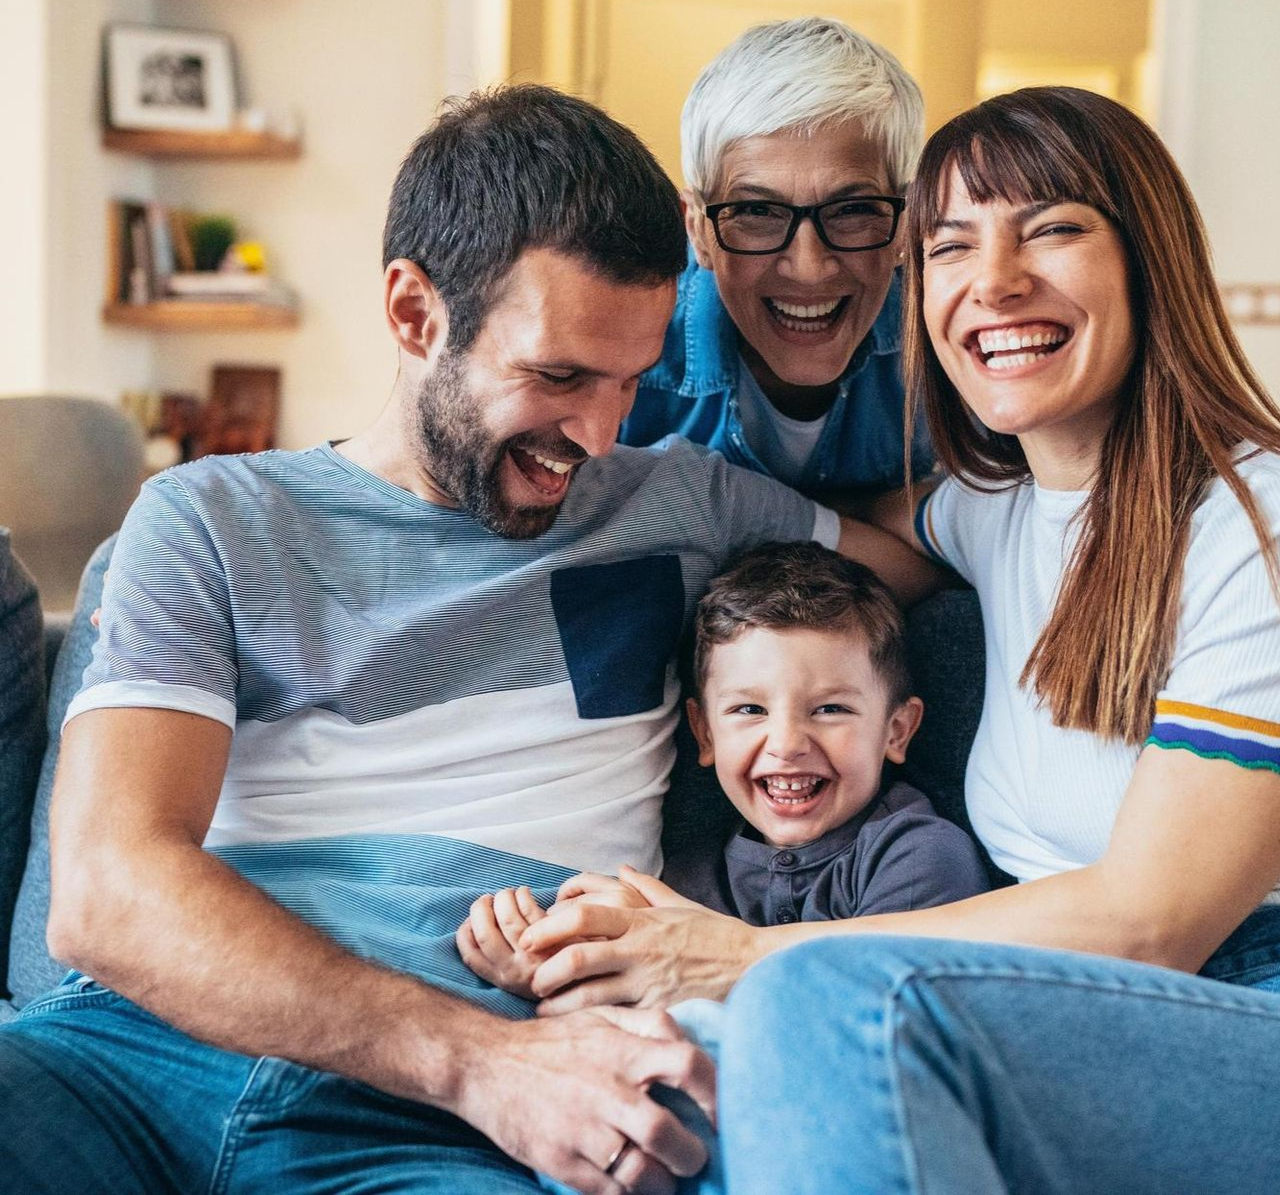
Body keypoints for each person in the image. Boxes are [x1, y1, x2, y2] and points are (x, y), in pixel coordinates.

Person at [0, 84, 939, 1195]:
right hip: (135, 1056)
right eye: (556, 376)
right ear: (413, 312)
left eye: (630, 381)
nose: (597, 434)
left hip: (439, 1137)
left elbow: (934, 569)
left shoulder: (681, 503)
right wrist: (481, 1063)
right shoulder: (211, 518)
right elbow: (110, 889)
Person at [515, 87, 1280, 1194]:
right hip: (1042, 1003)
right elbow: (824, 514)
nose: (995, 281)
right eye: (952, 246)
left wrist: (741, 955)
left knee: (818, 1002)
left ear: (1148, 258)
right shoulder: (993, 511)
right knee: (624, 1093)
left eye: (1052, 228)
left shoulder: (1250, 522)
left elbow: (1151, 916)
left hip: (1234, 1000)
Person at [460, 540, 988, 1003]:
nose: (785, 744)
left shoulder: (920, 856)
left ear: (896, 731)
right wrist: (548, 973)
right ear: (705, 734)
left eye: (830, 709)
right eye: (749, 710)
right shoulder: (683, 878)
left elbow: (883, 1011)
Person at [619, 16, 933, 495]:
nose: (808, 268)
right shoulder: (625, 362)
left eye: (851, 210)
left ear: (904, 225)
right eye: (757, 211)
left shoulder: (950, 344)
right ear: (698, 231)